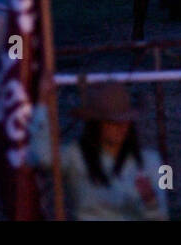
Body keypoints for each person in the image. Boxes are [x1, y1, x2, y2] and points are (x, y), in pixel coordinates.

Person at [28, 84, 169, 221]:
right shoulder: (76, 156)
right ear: (97, 124)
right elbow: (42, 157)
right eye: (112, 122)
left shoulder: (150, 161)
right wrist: (42, 103)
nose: (121, 128)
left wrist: (150, 201)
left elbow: (161, 215)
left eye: (125, 121)